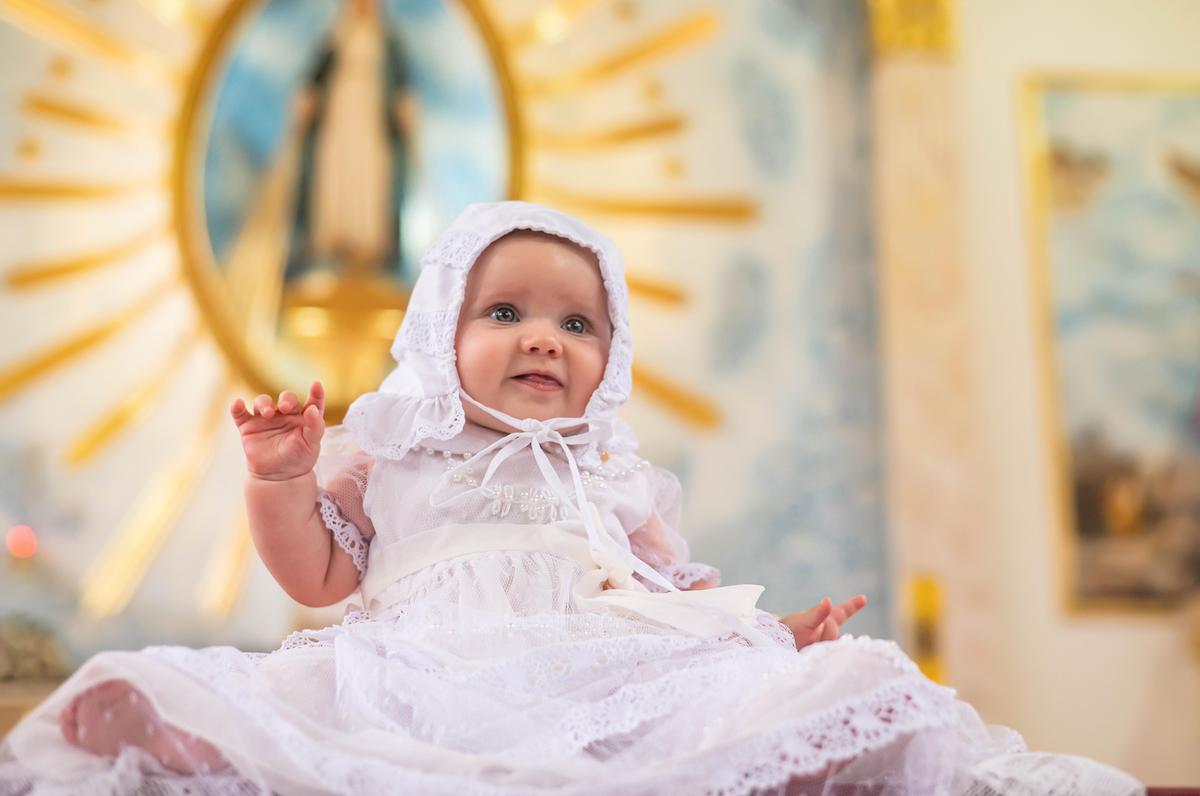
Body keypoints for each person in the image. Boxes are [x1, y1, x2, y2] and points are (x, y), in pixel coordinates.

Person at [0, 203, 1143, 795]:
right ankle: (212, 754)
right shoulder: (394, 448)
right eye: (504, 315)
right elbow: (314, 574)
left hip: (605, 678)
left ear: (613, 354)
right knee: (227, 707)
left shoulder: (615, 475)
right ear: (440, 338)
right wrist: (283, 476)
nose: (543, 337)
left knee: (847, 684)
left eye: (577, 322)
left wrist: (769, 639)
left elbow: (678, 599)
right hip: (425, 679)